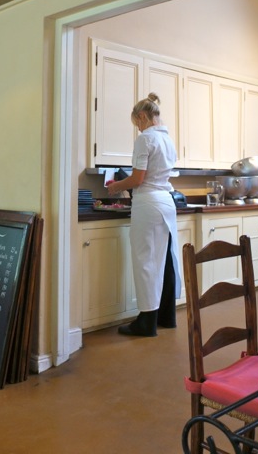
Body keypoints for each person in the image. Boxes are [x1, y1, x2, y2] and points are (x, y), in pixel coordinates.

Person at [107, 92, 181, 337]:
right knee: (165, 260)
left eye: (136, 123)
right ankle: (167, 316)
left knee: (146, 261)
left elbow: (138, 179)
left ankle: (147, 322)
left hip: (148, 203)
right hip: (166, 202)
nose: (138, 128)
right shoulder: (168, 140)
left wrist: (116, 186)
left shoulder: (145, 139)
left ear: (142, 116)